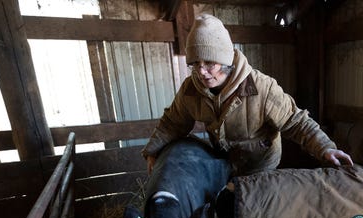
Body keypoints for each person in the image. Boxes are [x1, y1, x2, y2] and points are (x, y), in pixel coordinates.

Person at [142, 13, 352, 176]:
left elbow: (295, 121)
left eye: (210, 63)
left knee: (254, 216)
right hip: (225, 163)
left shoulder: (261, 88)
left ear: (226, 61)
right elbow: (172, 123)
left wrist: (325, 148)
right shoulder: (191, 90)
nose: (202, 72)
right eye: (195, 64)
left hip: (261, 166)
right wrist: (153, 150)